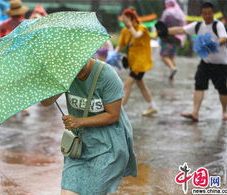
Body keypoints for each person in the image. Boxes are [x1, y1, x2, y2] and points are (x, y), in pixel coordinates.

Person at [41, 58, 137, 195]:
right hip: (79, 146)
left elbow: (112, 115)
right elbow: (46, 102)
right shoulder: (67, 73)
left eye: (80, 69)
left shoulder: (107, 75)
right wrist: (49, 81)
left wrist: (79, 121)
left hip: (108, 146)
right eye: (73, 70)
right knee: (68, 191)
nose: (77, 73)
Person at [168, 2, 227, 122]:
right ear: (201, 14)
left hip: (221, 64)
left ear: (213, 13)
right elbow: (181, 30)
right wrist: (166, 30)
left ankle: (224, 111)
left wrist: (215, 43)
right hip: (205, 63)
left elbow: (224, 38)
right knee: (199, 85)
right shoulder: (197, 25)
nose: (207, 16)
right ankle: (195, 113)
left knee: (222, 89)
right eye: (205, 14)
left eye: (210, 13)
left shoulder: (218, 25)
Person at [115, 8, 158, 116]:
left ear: (132, 19)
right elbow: (121, 44)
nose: (124, 23)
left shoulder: (142, 28)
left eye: (126, 21)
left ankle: (119, 110)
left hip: (141, 64)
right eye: (123, 22)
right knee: (141, 85)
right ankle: (152, 106)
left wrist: (130, 26)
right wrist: (114, 54)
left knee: (127, 84)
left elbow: (136, 35)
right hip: (133, 64)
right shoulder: (125, 30)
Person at [159, 0, 186, 81]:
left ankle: (172, 68)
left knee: (164, 56)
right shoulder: (181, 13)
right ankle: (172, 77)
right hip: (178, 38)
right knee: (172, 56)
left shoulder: (167, 12)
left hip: (168, 37)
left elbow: (161, 24)